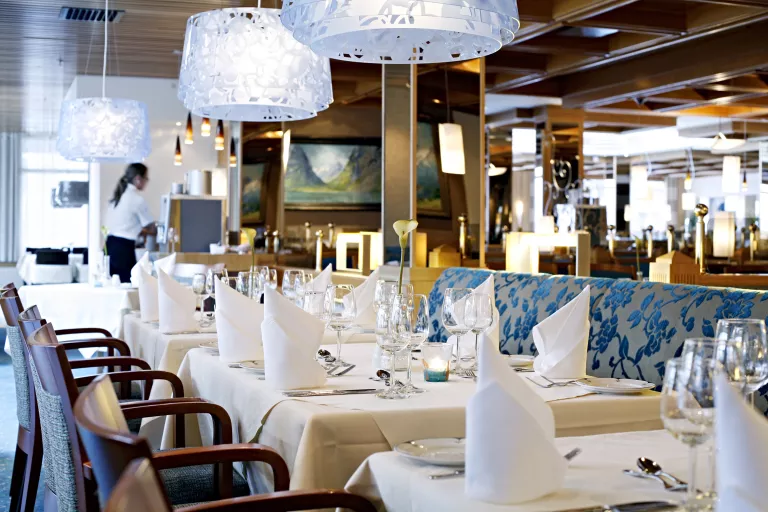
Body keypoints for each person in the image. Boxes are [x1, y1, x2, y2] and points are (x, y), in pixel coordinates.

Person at [105, 163, 156, 282]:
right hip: (123, 250)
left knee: (113, 288)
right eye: (146, 178)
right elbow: (152, 228)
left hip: (109, 246)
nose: (146, 182)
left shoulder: (118, 196)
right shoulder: (137, 200)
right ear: (138, 179)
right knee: (128, 287)